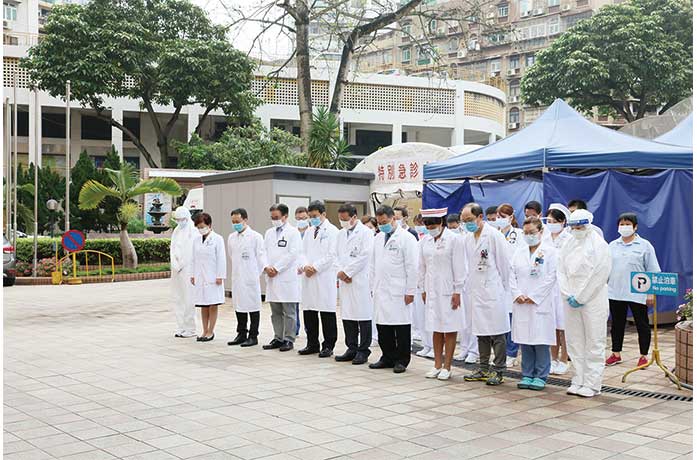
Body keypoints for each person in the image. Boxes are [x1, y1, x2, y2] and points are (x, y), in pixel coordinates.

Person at [558, 209, 612, 398]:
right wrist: (567, 294)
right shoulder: (568, 243)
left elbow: (599, 274)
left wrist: (582, 297)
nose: (576, 230)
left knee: (594, 340)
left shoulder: (599, 245)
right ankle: (578, 379)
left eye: (580, 227)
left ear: (588, 225)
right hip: (570, 298)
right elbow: (560, 270)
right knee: (574, 340)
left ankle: (592, 383)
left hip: (593, 299)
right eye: (573, 227)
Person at [461, 203, 511, 386]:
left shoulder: (494, 236)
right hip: (476, 291)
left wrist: (502, 288)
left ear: (480, 217)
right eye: (464, 221)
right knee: (480, 332)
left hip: (493, 290)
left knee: (497, 333)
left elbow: (504, 265)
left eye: (470, 220)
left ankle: (498, 370)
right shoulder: (467, 239)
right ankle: (483, 368)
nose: (467, 224)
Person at [510, 217, 558, 391]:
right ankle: (527, 374)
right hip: (521, 301)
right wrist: (517, 293)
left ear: (541, 232)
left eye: (532, 232)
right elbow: (511, 274)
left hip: (540, 303)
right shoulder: (519, 252)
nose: (529, 236)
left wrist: (535, 296)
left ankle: (540, 375)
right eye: (526, 233)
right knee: (525, 340)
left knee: (540, 340)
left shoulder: (550, 252)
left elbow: (552, 277)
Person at [606, 212, 660, 368]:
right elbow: (605, 268)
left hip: (638, 293)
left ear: (635, 227)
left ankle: (643, 356)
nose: (624, 227)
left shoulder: (645, 245)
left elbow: (653, 270)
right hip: (615, 292)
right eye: (621, 224)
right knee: (617, 324)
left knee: (642, 324)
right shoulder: (612, 245)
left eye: (628, 224)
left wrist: (650, 293)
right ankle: (616, 354)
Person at [369, 205, 419, 374]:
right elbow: (373, 265)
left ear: (393, 219)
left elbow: (413, 266)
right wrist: (372, 286)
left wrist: (410, 291)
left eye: (385, 222)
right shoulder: (378, 238)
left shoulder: (406, 238)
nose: (382, 225)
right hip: (381, 288)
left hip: (399, 289)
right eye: (379, 222)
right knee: (383, 326)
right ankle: (387, 357)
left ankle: (402, 359)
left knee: (401, 326)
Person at [419, 208, 467, 380]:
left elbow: (460, 267)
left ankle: (447, 366)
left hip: (449, 290)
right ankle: (437, 365)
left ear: (441, 222)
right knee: (435, 327)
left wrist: (457, 291)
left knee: (449, 328)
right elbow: (421, 267)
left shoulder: (454, 239)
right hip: (431, 290)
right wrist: (422, 289)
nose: (430, 228)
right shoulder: (425, 241)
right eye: (427, 225)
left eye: (433, 225)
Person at [298, 200, 340, 358]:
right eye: (310, 216)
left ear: (323, 214)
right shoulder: (309, 231)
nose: (312, 219)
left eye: (315, 216)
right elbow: (301, 252)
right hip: (308, 276)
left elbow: (332, 255)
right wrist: (305, 266)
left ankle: (328, 345)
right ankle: (312, 343)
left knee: (326, 311)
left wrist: (315, 267)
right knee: (309, 311)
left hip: (324, 275)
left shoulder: (333, 231)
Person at [335, 203, 374, 365]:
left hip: (360, 279)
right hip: (345, 280)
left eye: (345, 219)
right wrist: (341, 272)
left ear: (354, 217)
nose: (343, 222)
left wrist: (348, 272)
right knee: (347, 314)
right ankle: (351, 347)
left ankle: (363, 350)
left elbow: (365, 256)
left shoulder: (366, 233)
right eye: (340, 219)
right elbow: (335, 255)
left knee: (363, 315)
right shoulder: (340, 234)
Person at [263, 203, 302, 352]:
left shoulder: (293, 232)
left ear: (285, 216)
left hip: (286, 276)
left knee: (289, 312)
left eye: (277, 217)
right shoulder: (269, 233)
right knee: (276, 312)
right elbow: (263, 252)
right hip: (272, 277)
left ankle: (289, 339)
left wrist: (277, 268)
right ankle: (278, 337)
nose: (274, 220)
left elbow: (293, 254)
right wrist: (266, 267)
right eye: (272, 217)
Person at [227, 208, 267, 348]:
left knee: (253, 307)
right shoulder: (231, 237)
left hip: (250, 278)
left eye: (237, 221)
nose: (235, 224)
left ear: (245, 220)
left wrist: (254, 274)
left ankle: (253, 336)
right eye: (233, 222)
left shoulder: (256, 237)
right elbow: (232, 256)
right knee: (239, 306)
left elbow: (261, 257)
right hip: (237, 277)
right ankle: (241, 333)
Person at [494, 203, 526, 367]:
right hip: (498, 282)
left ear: (511, 217)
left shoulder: (519, 235)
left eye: (503, 217)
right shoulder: (494, 234)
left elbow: (521, 257)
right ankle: (501, 353)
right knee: (501, 320)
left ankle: (512, 353)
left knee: (513, 319)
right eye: (498, 217)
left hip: (514, 280)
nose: (499, 219)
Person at [544, 204, 573, 375]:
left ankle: (564, 359)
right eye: (548, 221)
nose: (551, 224)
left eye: (554, 221)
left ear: (563, 222)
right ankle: (553, 358)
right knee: (552, 325)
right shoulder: (545, 238)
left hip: (563, 286)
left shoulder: (569, 239)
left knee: (564, 326)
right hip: (548, 287)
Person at [447, 213, 478, 363]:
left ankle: (473, 351)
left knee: (473, 318)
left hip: (472, 282)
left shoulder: (469, 237)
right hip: (460, 283)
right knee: (462, 319)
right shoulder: (455, 239)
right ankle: (464, 348)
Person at [191, 212, 226, 342]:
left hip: (213, 277)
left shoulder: (217, 239)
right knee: (203, 304)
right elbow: (193, 259)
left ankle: (211, 331)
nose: (200, 229)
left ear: (209, 225)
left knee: (212, 304)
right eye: (198, 227)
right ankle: (204, 330)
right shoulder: (196, 240)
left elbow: (221, 259)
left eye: (202, 226)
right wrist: (192, 275)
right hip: (200, 276)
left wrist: (220, 275)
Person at [170, 206, 197, 338]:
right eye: (178, 219)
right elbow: (173, 249)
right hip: (176, 270)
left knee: (189, 298)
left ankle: (190, 328)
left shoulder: (193, 231)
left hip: (188, 269)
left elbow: (192, 252)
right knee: (178, 297)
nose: (180, 222)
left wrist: (182, 264)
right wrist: (175, 264)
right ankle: (181, 326)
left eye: (182, 219)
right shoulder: (176, 231)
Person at [411, 212, 433, 357]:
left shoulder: (431, 240)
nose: (419, 227)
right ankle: (426, 344)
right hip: (419, 283)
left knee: (431, 318)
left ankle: (434, 346)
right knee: (421, 317)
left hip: (431, 284)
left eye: (422, 225)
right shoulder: (419, 241)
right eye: (417, 225)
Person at [294, 206, 310, 335]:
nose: (301, 221)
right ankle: (295, 329)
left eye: (304, 218)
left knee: (308, 303)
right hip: (294, 273)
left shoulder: (312, 233)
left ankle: (309, 329)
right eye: (299, 219)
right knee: (294, 303)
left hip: (308, 271)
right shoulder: (293, 233)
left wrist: (305, 266)